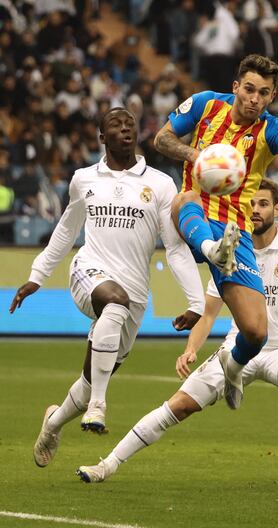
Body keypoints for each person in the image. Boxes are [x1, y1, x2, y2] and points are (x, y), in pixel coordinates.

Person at [76, 178, 278, 488]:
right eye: (250, 203)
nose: (255, 210)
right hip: (237, 349)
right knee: (178, 405)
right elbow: (209, 313)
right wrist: (191, 349)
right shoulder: (232, 248)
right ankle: (108, 464)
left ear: (277, 208)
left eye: (263, 204)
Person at [9, 107, 205, 467]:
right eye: (115, 124)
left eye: (129, 123)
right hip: (89, 271)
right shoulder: (84, 178)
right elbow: (67, 230)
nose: (125, 128)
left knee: (88, 379)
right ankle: (99, 406)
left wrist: (196, 301)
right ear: (102, 137)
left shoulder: (160, 183)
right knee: (114, 303)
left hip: (134, 293)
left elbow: (174, 247)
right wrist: (38, 275)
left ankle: (54, 423)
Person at [153, 53, 278, 410]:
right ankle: (210, 249)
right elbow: (161, 140)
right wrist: (197, 156)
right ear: (236, 87)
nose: (255, 99)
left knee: (256, 332)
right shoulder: (205, 104)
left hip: (234, 235)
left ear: (271, 97)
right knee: (181, 199)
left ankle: (233, 366)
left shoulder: (269, 130)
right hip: (195, 221)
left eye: (264, 93)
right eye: (250, 90)